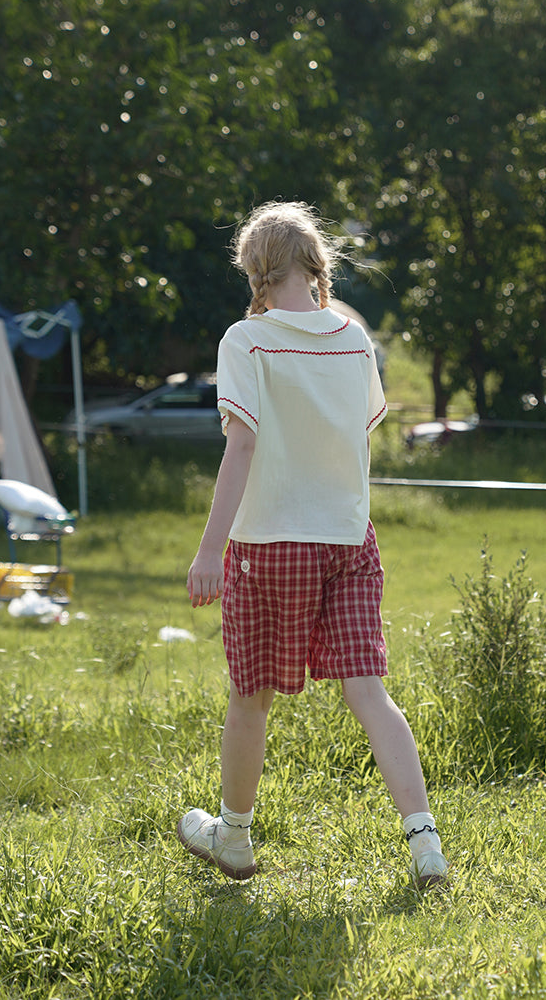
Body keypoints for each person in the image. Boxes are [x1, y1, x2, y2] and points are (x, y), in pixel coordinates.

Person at [176, 201, 448, 889]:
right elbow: (354, 433)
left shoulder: (247, 340)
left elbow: (241, 446)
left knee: (251, 697)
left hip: (268, 545)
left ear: (255, 271)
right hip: (349, 539)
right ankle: (427, 849)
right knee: (370, 692)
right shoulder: (354, 339)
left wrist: (210, 551)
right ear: (316, 265)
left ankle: (233, 838)